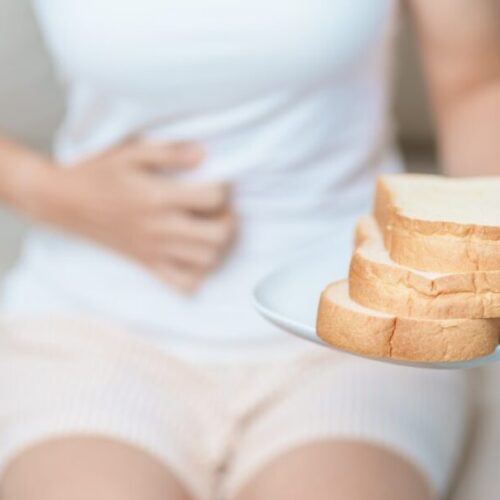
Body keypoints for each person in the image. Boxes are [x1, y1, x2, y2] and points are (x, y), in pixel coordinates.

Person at [0, 1, 498, 499]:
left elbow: (477, 85)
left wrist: (481, 267)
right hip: (91, 329)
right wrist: (46, 189)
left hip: (358, 335)